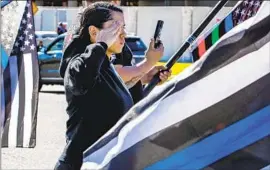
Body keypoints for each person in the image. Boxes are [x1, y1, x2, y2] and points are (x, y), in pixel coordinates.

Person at [55, 2, 170, 170]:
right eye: (116, 28)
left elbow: (127, 111)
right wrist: (101, 45)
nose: (123, 34)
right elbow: (82, 81)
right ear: (94, 32)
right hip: (80, 164)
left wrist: (147, 79)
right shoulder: (79, 62)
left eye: (123, 27)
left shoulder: (106, 66)